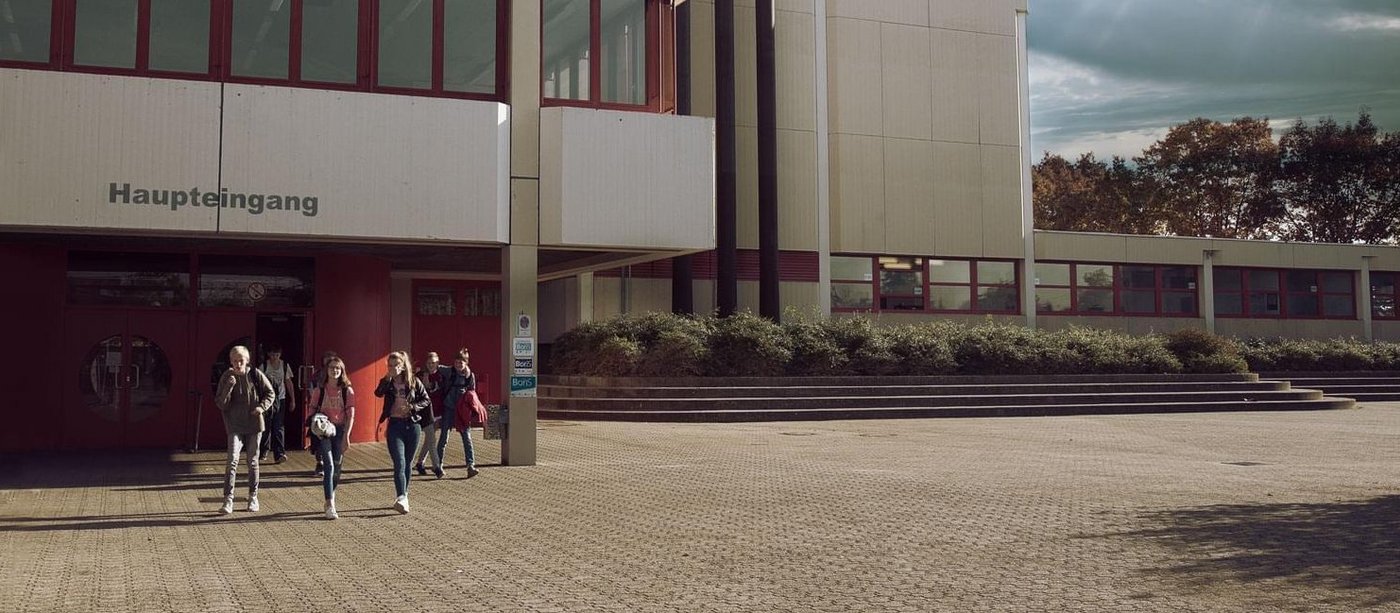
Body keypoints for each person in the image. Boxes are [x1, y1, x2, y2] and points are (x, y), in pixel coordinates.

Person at [213, 345, 275, 515]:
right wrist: (228, 386)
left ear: (247, 360)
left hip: (254, 425)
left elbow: (271, 393)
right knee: (232, 460)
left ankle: (253, 497)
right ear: (230, 362)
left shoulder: (255, 375)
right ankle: (228, 499)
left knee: (252, 461)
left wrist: (262, 408)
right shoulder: (227, 376)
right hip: (234, 425)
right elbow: (220, 403)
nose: (238, 364)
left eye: (241, 360)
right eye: (234, 361)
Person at [375, 351, 429, 514]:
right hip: (395, 425)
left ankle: (404, 496)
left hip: (412, 425)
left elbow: (426, 400)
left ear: (403, 366)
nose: (393, 368)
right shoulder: (388, 383)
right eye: (390, 365)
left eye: (396, 365)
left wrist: (413, 407)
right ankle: (400, 496)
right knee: (399, 462)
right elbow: (378, 393)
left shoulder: (413, 382)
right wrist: (387, 378)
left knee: (408, 462)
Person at [307, 356, 355, 520]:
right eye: (332, 368)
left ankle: (331, 494)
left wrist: (347, 436)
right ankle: (329, 504)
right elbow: (311, 410)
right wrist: (316, 423)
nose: (335, 370)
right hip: (324, 431)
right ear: (326, 371)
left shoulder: (347, 391)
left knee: (337, 466)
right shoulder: (319, 390)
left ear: (342, 371)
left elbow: (350, 415)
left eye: (338, 368)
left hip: (340, 431)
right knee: (328, 465)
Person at [435, 348, 480, 478]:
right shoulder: (450, 371)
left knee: (467, 437)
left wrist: (472, 410)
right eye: (456, 362)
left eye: (461, 363)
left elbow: (472, 394)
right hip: (449, 407)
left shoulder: (470, 376)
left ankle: (470, 466)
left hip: (462, 410)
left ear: (466, 363)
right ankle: (438, 465)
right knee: (444, 436)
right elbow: (437, 367)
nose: (458, 365)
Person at [257, 345, 295, 464]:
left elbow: (289, 383)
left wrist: (292, 399)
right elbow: (257, 383)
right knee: (266, 425)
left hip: (280, 399)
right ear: (268, 354)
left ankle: (279, 453)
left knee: (278, 426)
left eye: (277, 355)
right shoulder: (263, 366)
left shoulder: (284, 366)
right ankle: (263, 450)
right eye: (273, 355)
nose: (275, 358)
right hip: (266, 399)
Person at [413, 351, 447, 479]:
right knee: (432, 440)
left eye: (433, 363)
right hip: (425, 412)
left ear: (437, 363)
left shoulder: (440, 376)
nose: (431, 365)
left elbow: (441, 390)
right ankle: (437, 467)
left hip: (437, 411)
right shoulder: (421, 375)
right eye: (429, 363)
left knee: (429, 439)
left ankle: (420, 463)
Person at [307, 350, 338, 477]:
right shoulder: (316, 377)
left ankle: (331, 464)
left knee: (333, 439)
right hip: (320, 413)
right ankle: (320, 463)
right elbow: (311, 392)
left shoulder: (339, 377)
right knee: (319, 438)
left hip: (335, 413)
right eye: (327, 362)